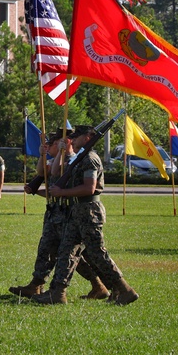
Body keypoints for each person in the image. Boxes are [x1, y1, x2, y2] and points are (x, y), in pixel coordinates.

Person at [34, 125, 138, 306]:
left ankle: (124, 289)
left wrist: (61, 193)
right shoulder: (80, 158)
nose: (72, 139)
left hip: (89, 211)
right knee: (66, 252)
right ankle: (58, 292)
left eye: (77, 137)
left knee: (97, 253)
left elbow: (89, 188)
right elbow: (55, 172)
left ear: (88, 138)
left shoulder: (91, 159)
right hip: (76, 211)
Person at [9, 129, 109, 299]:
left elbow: (56, 174)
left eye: (55, 143)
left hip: (69, 213)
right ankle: (38, 284)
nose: (51, 146)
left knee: (75, 255)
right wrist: (42, 156)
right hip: (56, 212)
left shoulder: (75, 160)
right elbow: (43, 173)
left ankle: (101, 285)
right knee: (50, 250)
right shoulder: (61, 159)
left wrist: (61, 153)